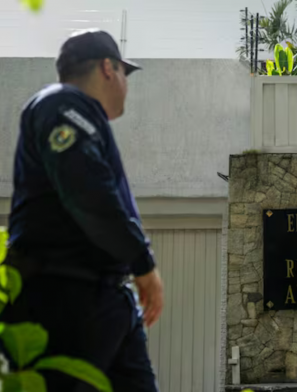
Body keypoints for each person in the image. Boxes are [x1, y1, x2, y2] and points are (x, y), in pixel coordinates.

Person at [2, 29, 163, 392]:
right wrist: (142, 262)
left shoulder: (83, 117)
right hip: (61, 297)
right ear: (108, 68)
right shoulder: (61, 104)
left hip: (104, 298)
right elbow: (87, 190)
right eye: (125, 73)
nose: (126, 85)